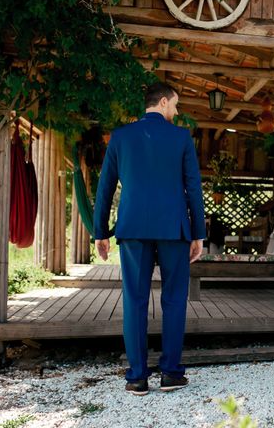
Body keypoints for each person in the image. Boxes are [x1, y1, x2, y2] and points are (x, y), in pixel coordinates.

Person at [94, 82, 206, 395]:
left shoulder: (120, 137)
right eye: (176, 104)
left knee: (134, 301)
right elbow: (193, 189)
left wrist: (99, 232)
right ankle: (171, 374)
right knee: (173, 300)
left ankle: (137, 378)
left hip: (133, 228)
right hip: (174, 229)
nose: (177, 110)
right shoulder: (181, 137)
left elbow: (105, 188)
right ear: (163, 102)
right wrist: (198, 234)